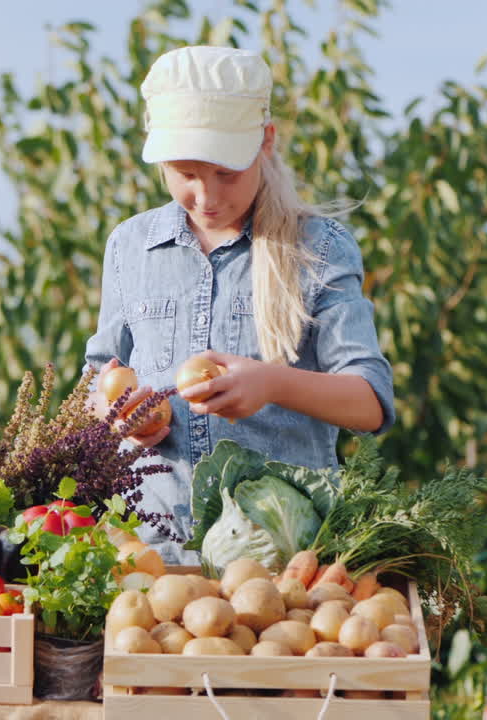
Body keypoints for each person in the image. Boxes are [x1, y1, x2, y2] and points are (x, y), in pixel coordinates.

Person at [83, 45, 396, 564]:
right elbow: (96, 381)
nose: (206, 197)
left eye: (226, 173)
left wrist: (270, 383)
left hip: (280, 561)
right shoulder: (130, 246)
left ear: (266, 142)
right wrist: (115, 411)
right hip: (149, 553)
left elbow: (370, 402)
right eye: (185, 173)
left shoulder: (318, 248)